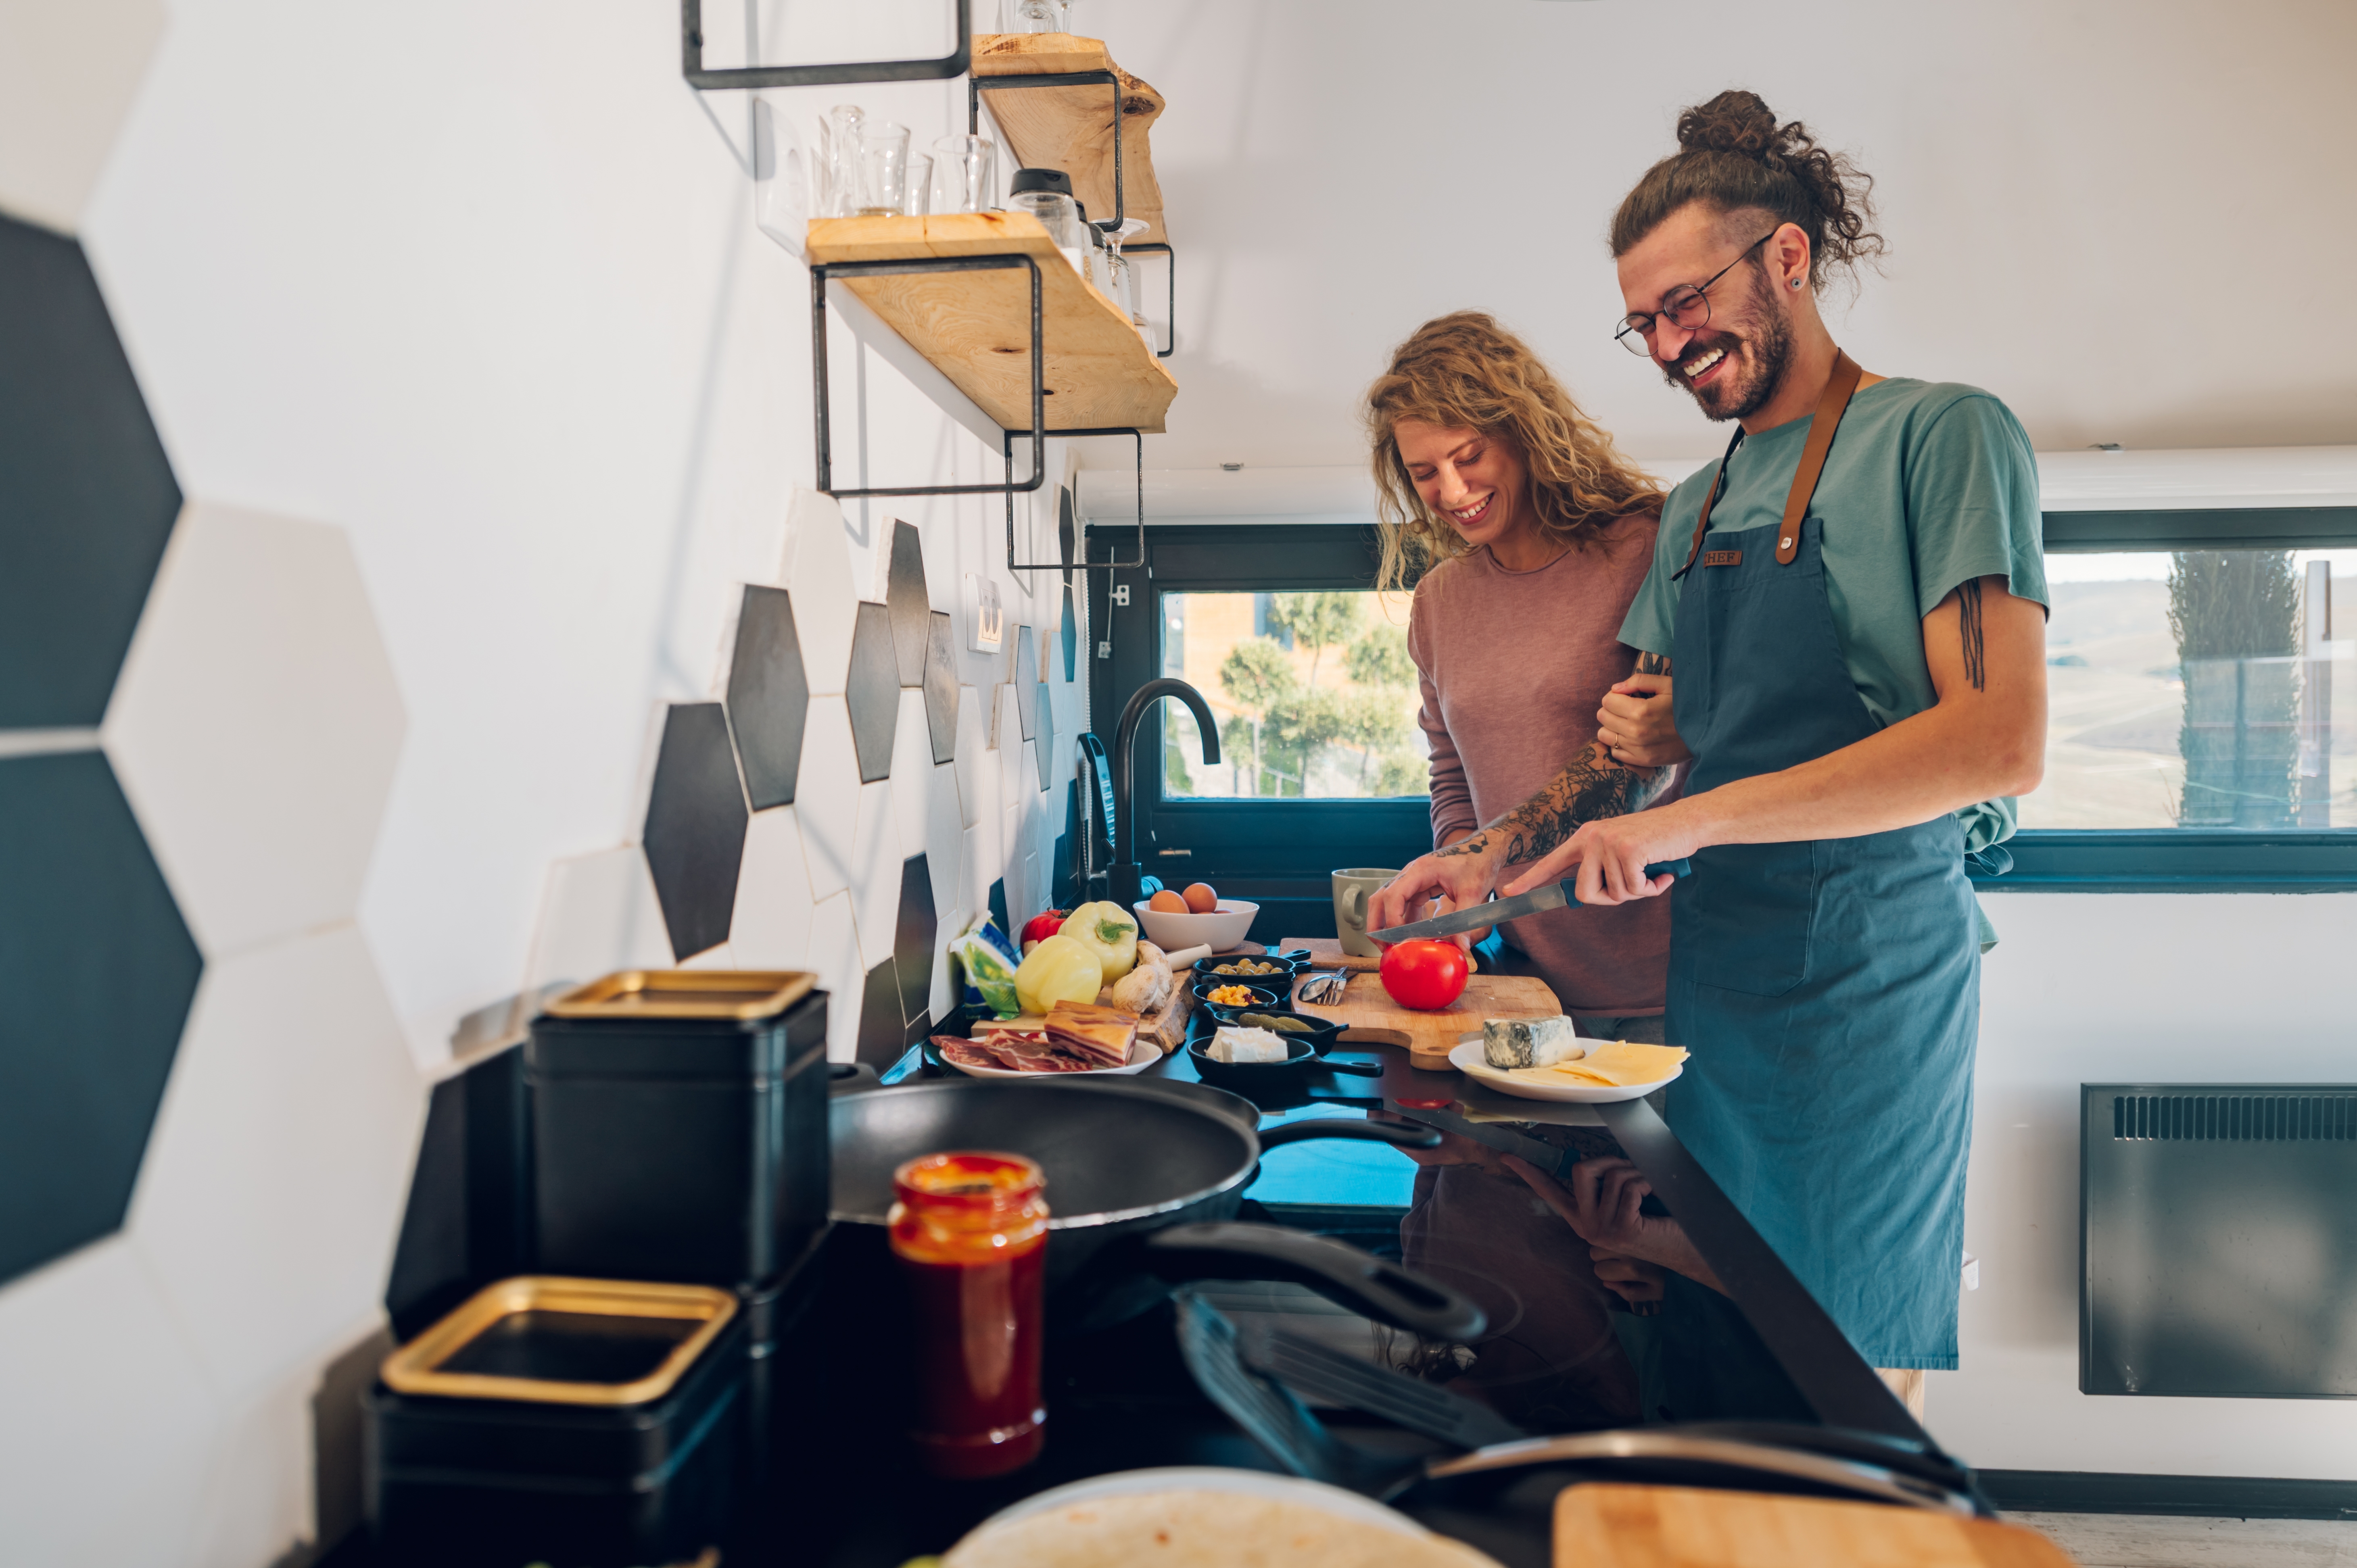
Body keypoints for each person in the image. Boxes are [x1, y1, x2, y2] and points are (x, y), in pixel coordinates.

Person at [1367, 90, 2049, 1412]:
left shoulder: (1941, 435)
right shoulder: (1700, 507)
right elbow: (1619, 759)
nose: (1669, 342)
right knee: (1705, 1368)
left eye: (1686, 302)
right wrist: (1494, 859)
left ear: (1785, 256)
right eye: (1645, 322)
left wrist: (1688, 819)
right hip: (1714, 988)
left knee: (1841, 1377)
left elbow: (1996, 739)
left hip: (1865, 974)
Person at [1367, 311, 1681, 1041]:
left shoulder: (1647, 548)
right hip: (1515, 980)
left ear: (1523, 432)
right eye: (1424, 473)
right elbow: (1452, 769)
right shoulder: (1440, 601)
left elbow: (1649, 759)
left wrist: (1489, 852)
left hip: (1659, 982)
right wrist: (1457, 879)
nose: (1450, 490)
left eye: (1468, 455)